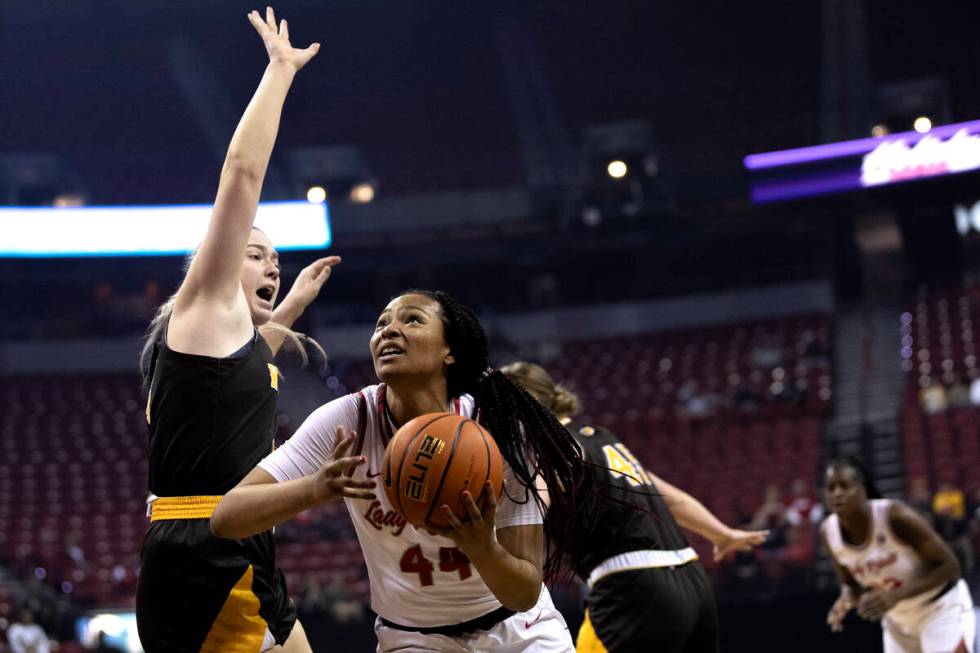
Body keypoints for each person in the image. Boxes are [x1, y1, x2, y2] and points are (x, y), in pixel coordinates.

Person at [134, 9, 353, 652]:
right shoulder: (200, 307)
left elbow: (251, 363)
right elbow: (242, 175)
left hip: (236, 545)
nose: (272, 265)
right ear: (213, 264)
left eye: (275, 262)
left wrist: (292, 307)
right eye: (255, 253)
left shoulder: (222, 342)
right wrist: (280, 72)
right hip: (205, 552)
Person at [212, 290, 595, 652]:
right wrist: (313, 489)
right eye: (381, 324)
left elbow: (524, 592)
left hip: (517, 630)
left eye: (412, 320)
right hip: (413, 638)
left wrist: (484, 549)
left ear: (450, 350)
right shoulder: (348, 418)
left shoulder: (499, 427)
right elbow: (226, 518)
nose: (389, 330)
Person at [500, 361, 769, 653]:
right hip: (692, 580)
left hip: (633, 588)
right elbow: (668, 496)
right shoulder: (601, 437)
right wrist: (721, 534)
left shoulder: (552, 446)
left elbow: (533, 506)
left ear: (527, 404)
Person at [821, 457, 976, 652]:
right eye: (830, 488)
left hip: (940, 608)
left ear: (863, 490)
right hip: (898, 621)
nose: (837, 493)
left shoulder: (894, 516)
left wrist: (896, 595)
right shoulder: (828, 533)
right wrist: (846, 599)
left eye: (844, 486)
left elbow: (951, 567)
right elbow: (850, 583)